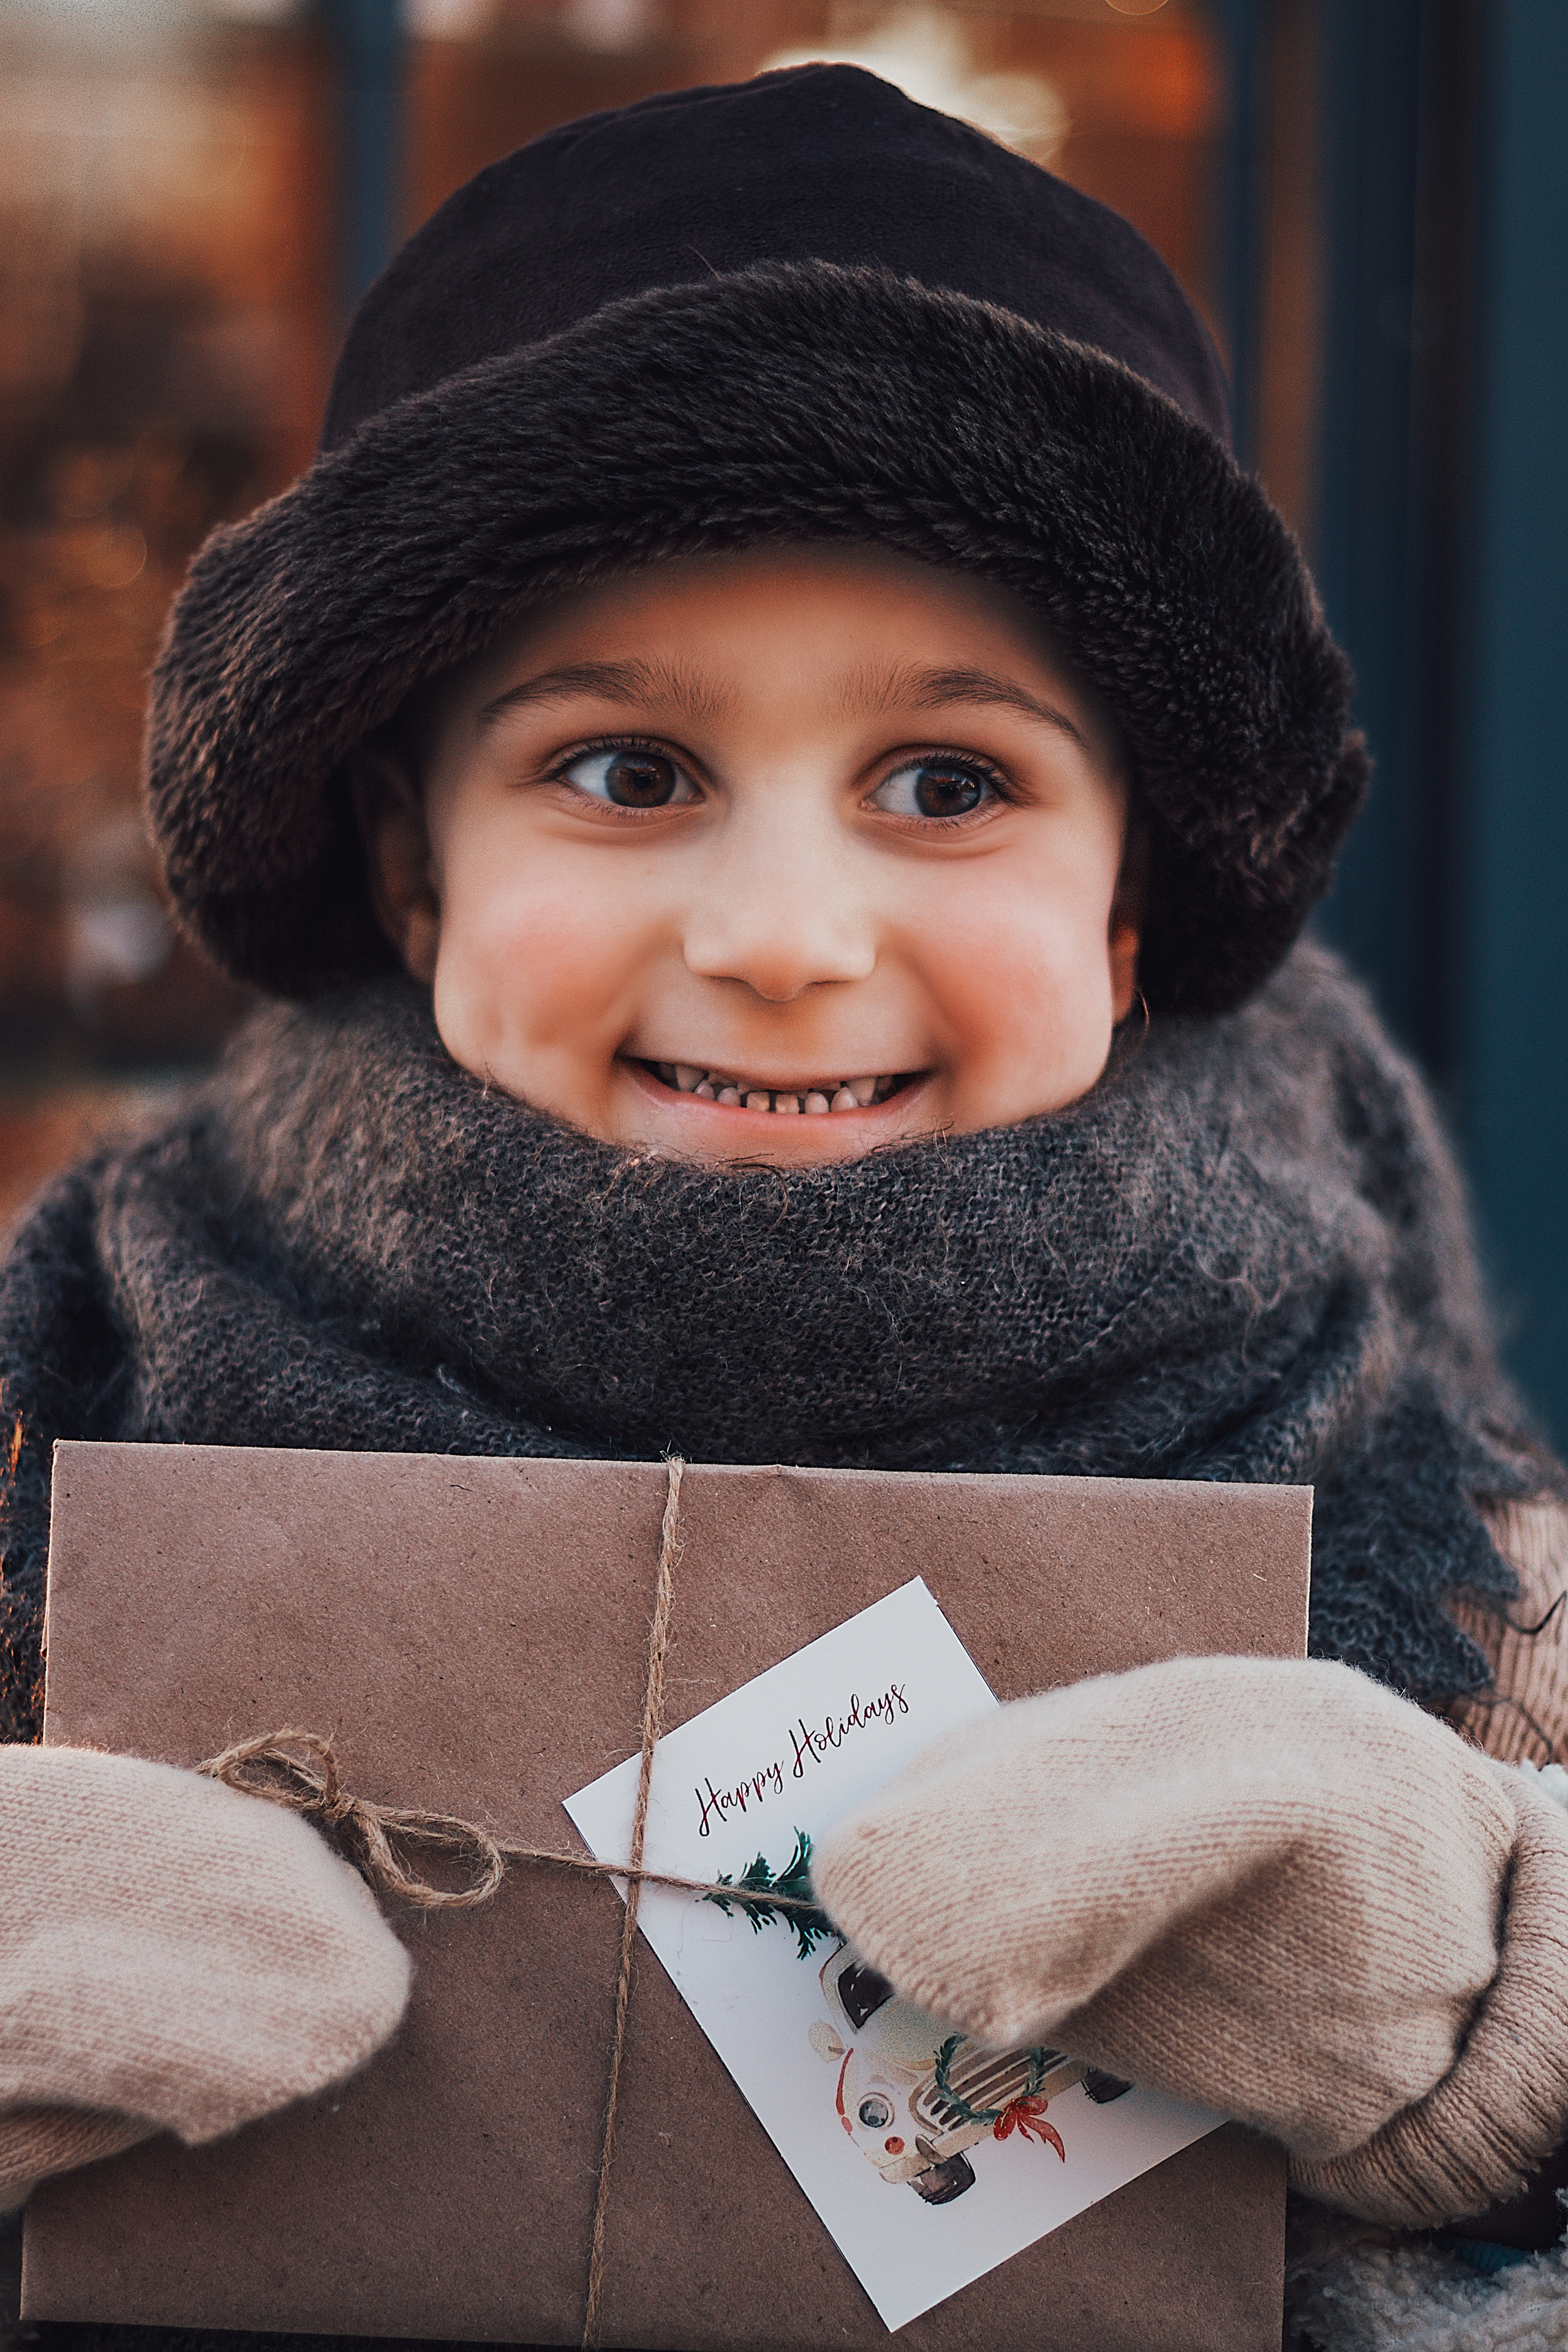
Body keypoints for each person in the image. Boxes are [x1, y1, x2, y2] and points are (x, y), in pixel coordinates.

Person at [2, 64, 1566, 2351]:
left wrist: (1500, 2050)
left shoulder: (1476, 1596)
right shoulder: (56, 1446)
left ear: (1129, 905)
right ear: (417, 868)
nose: (785, 937)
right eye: (625, 770)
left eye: (950, 782)